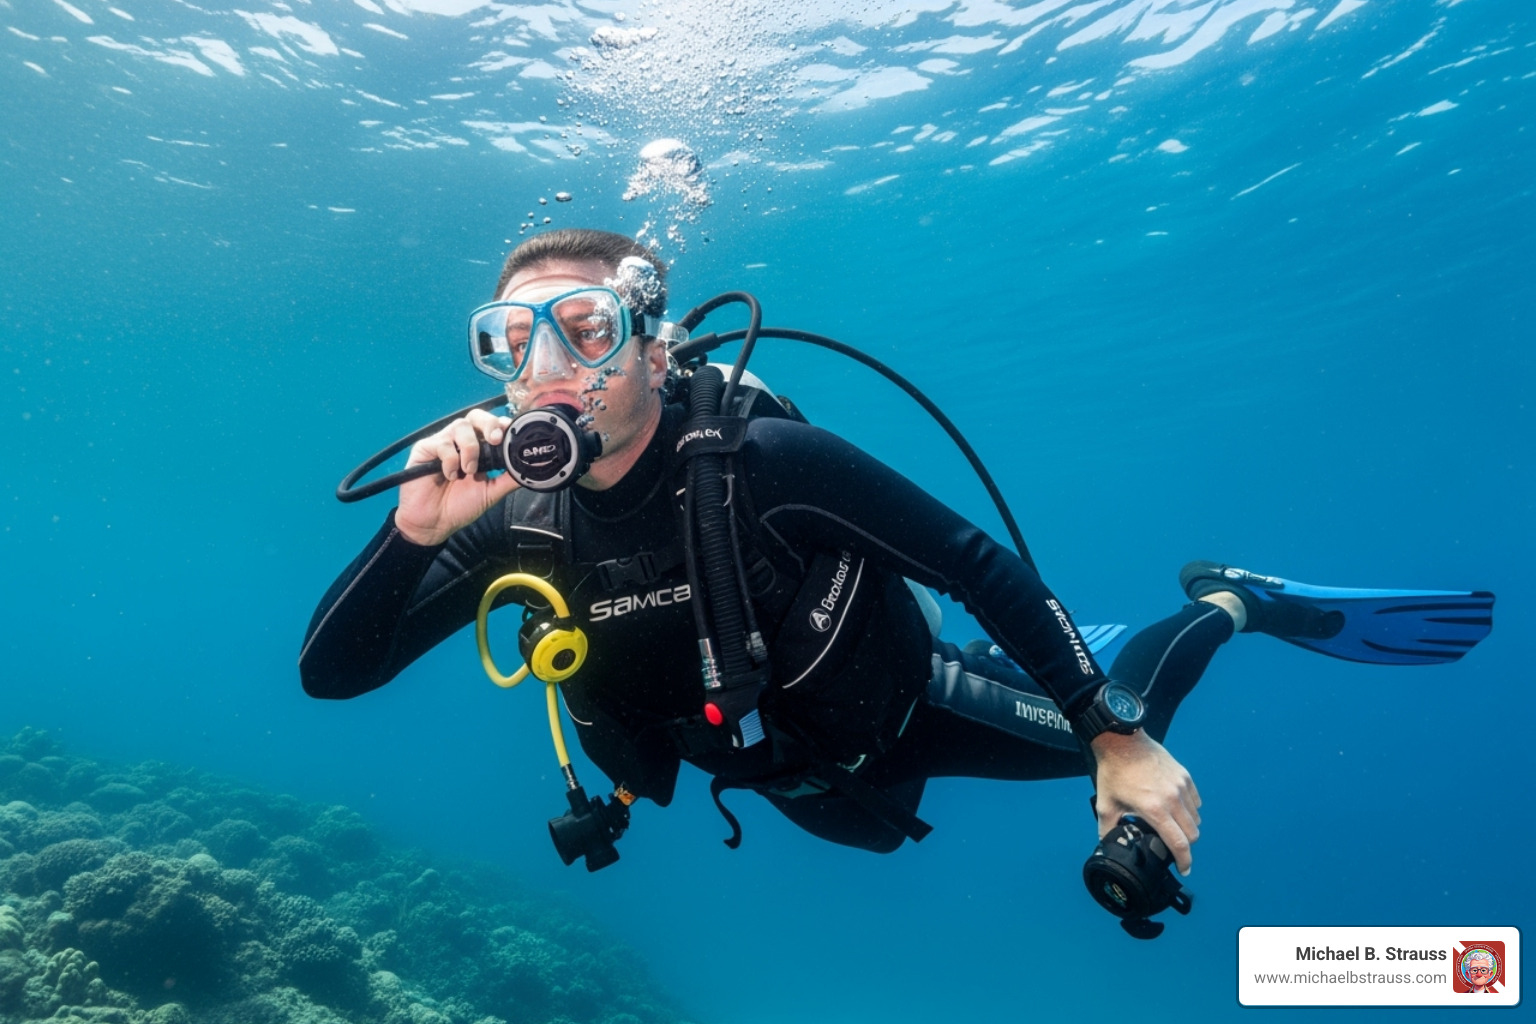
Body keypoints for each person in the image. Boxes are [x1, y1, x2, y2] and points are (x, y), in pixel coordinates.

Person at [299, 229, 1493, 873]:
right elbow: (332, 673)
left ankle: (1231, 601)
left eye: (588, 328)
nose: (549, 367)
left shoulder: (761, 468)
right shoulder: (513, 516)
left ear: (654, 351)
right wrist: (407, 543)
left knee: (1131, 725)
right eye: (513, 339)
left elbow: (975, 558)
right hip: (790, 772)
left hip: (911, 708)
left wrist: (1113, 736)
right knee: (876, 828)